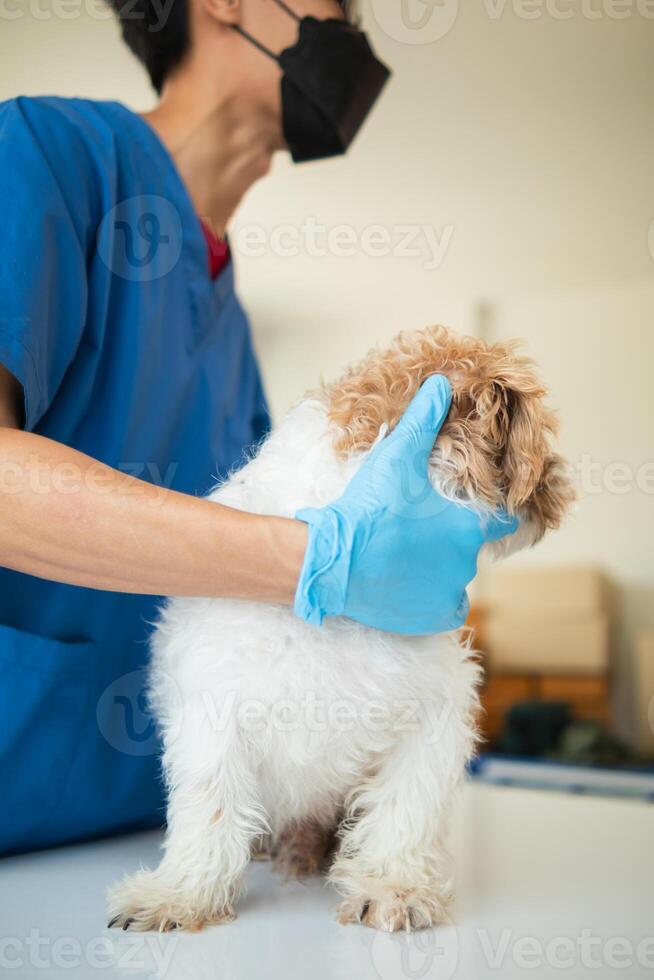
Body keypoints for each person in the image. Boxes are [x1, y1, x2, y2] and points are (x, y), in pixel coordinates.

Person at [0, 0, 516, 855]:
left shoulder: (225, 315)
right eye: (335, 8)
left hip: (172, 832)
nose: (351, 31)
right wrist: (317, 556)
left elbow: (248, 610)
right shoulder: (44, 158)